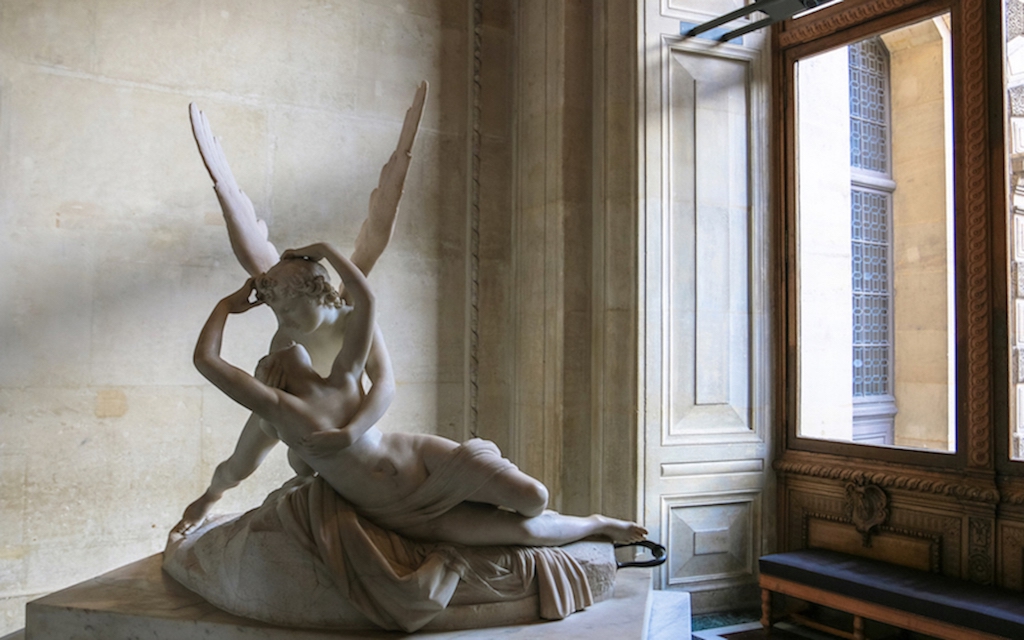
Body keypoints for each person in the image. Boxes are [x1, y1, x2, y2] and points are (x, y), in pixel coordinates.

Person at [191, 241, 647, 547]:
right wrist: (226, 307)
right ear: (276, 378)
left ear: (317, 293)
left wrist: (325, 250)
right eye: (278, 313)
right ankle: (596, 527)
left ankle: (584, 518)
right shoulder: (280, 397)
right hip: (394, 503)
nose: (284, 329)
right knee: (525, 532)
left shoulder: (346, 368)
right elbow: (212, 366)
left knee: (534, 499)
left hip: (412, 455)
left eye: (288, 307)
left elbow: (376, 343)